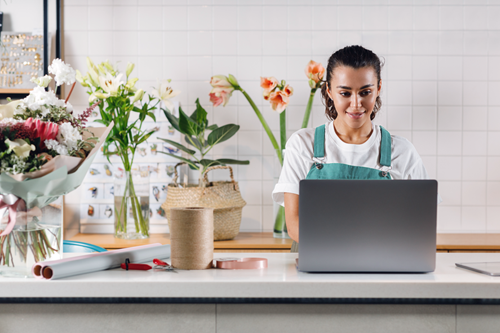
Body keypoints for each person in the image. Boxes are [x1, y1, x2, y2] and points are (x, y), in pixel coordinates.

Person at [272, 45, 435, 253]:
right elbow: (294, 225)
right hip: (315, 263)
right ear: (330, 90)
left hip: (382, 264)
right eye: (345, 93)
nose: (356, 104)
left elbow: (421, 224)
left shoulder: (401, 151)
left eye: (365, 92)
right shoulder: (303, 144)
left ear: (378, 88)